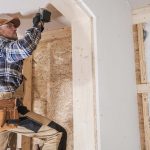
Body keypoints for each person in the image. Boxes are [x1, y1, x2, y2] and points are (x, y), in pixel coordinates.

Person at [0, 14, 67, 150]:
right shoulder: (1, 44)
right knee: (56, 134)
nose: (14, 29)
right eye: (9, 26)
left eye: (14, 26)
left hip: (9, 108)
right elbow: (24, 48)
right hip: (4, 109)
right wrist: (38, 25)